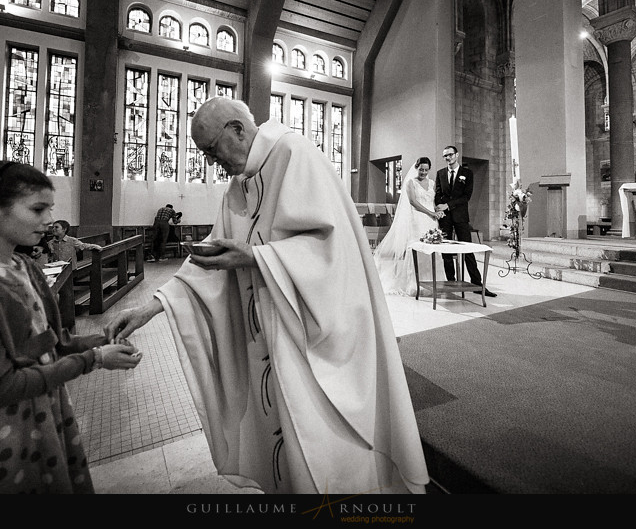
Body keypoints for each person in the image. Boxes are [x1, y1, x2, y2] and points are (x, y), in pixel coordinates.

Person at [104, 97, 429, 495]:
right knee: (288, 450)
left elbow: (331, 249)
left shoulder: (295, 154)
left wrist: (256, 256)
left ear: (237, 129)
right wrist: (151, 306)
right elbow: (213, 252)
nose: (210, 162)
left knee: (321, 448)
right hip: (272, 342)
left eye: (210, 150)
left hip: (308, 340)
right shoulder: (239, 186)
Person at [0, 153, 142, 493]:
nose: (49, 220)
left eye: (50, 209)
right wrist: (94, 360)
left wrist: (101, 341)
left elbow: (52, 343)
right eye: (37, 209)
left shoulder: (24, 267)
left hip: (43, 406)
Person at [373, 157, 444, 295]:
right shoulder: (411, 183)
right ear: (416, 168)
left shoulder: (432, 183)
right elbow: (413, 202)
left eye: (426, 170)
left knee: (432, 251)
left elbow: (432, 201)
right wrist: (430, 212)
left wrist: (436, 211)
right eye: (421, 169)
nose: (423, 172)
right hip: (417, 219)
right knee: (418, 250)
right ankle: (415, 284)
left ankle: (433, 283)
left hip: (432, 221)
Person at [435, 145, 497, 297]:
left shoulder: (467, 173)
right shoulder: (440, 173)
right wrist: (439, 207)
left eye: (450, 155)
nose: (447, 158)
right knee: (447, 251)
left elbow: (466, 196)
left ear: (456, 155)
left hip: (461, 216)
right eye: (445, 156)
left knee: (468, 249)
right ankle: (451, 282)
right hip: (445, 219)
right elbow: (437, 193)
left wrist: (448, 205)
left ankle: (477, 284)